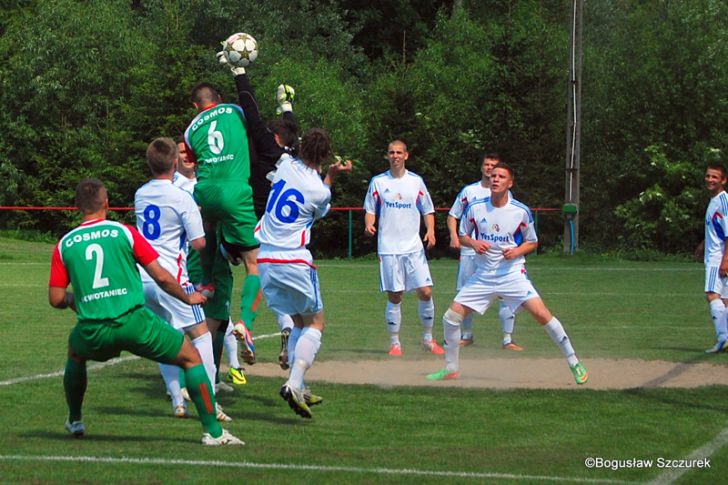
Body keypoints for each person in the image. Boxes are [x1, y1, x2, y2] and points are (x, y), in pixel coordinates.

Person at [49, 178, 243, 445]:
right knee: (191, 358)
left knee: (75, 353)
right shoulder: (124, 232)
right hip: (134, 323)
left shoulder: (65, 244)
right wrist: (188, 298)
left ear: (76, 207)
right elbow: (162, 277)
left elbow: (56, 298)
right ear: (107, 204)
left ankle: (75, 420)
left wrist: (75, 299)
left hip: (93, 329)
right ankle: (214, 432)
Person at [426, 163, 588, 385]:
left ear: (510, 183)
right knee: (451, 318)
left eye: (501, 176)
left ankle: (573, 361)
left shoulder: (520, 211)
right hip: (483, 275)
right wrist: (473, 243)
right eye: (493, 176)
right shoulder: (476, 207)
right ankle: (451, 368)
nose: (495, 179)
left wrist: (517, 251)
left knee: (541, 314)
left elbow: (532, 241)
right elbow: (463, 236)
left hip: (511, 274)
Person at [255, 128, 352, 418]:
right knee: (316, 322)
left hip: (265, 257)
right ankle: (294, 383)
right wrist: (332, 176)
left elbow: (293, 158)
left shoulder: (285, 165)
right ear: (324, 155)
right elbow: (320, 210)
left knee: (298, 321)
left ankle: (300, 384)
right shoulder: (320, 189)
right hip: (293, 258)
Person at [134, 137, 231, 420]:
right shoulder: (181, 197)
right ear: (174, 162)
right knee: (201, 336)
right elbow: (200, 244)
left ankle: (178, 400)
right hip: (171, 278)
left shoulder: (141, 194)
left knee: (168, 339)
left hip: (144, 278)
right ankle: (210, 400)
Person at [217, 50, 298, 370]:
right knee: (269, 281)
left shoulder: (267, 147)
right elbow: (293, 129)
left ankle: (236, 321)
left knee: (228, 263)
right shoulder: (295, 156)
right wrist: (287, 106)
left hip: (245, 222)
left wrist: (239, 73)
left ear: (273, 137)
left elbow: (250, 112)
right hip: (280, 235)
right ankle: (269, 328)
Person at [184, 82, 261, 367]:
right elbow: (253, 124)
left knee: (210, 228)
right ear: (220, 99)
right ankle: (246, 324)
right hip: (235, 190)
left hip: (205, 191)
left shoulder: (191, 130)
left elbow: (194, 161)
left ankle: (206, 282)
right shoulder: (237, 111)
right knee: (254, 264)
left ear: (195, 106)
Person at [173, 136, 246, 387]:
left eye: (189, 152)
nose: (186, 156)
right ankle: (190, 379)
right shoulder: (178, 186)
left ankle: (211, 378)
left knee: (220, 319)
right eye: (181, 153)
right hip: (195, 257)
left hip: (218, 256)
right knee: (201, 323)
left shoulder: (205, 181)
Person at [364, 140, 444, 356]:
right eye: (391, 152)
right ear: (387, 155)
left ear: (406, 155)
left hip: (413, 247)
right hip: (388, 248)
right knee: (395, 295)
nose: (395, 156)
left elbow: (427, 209)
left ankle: (428, 339)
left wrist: (431, 231)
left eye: (399, 152)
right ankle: (395, 343)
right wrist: (369, 223)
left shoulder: (416, 182)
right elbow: (370, 208)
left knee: (425, 291)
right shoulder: (378, 182)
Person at [447, 153, 521, 350]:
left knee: (505, 295)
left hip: (498, 255)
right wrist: (455, 236)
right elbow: (453, 215)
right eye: (487, 165)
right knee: (465, 294)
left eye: (494, 166)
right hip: (470, 253)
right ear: (482, 168)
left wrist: (514, 249)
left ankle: (507, 338)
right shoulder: (469, 191)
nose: (490, 169)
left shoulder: (507, 195)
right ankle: (467, 334)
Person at [703, 163, 728, 353]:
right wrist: (702, 244)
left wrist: (725, 259)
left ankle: (723, 338)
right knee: (726, 300)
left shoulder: (723, 201)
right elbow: (716, 228)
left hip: (718, 257)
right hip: (717, 253)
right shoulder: (714, 201)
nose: (710, 180)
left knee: (712, 294)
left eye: (714, 177)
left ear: (723, 180)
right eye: (708, 176)